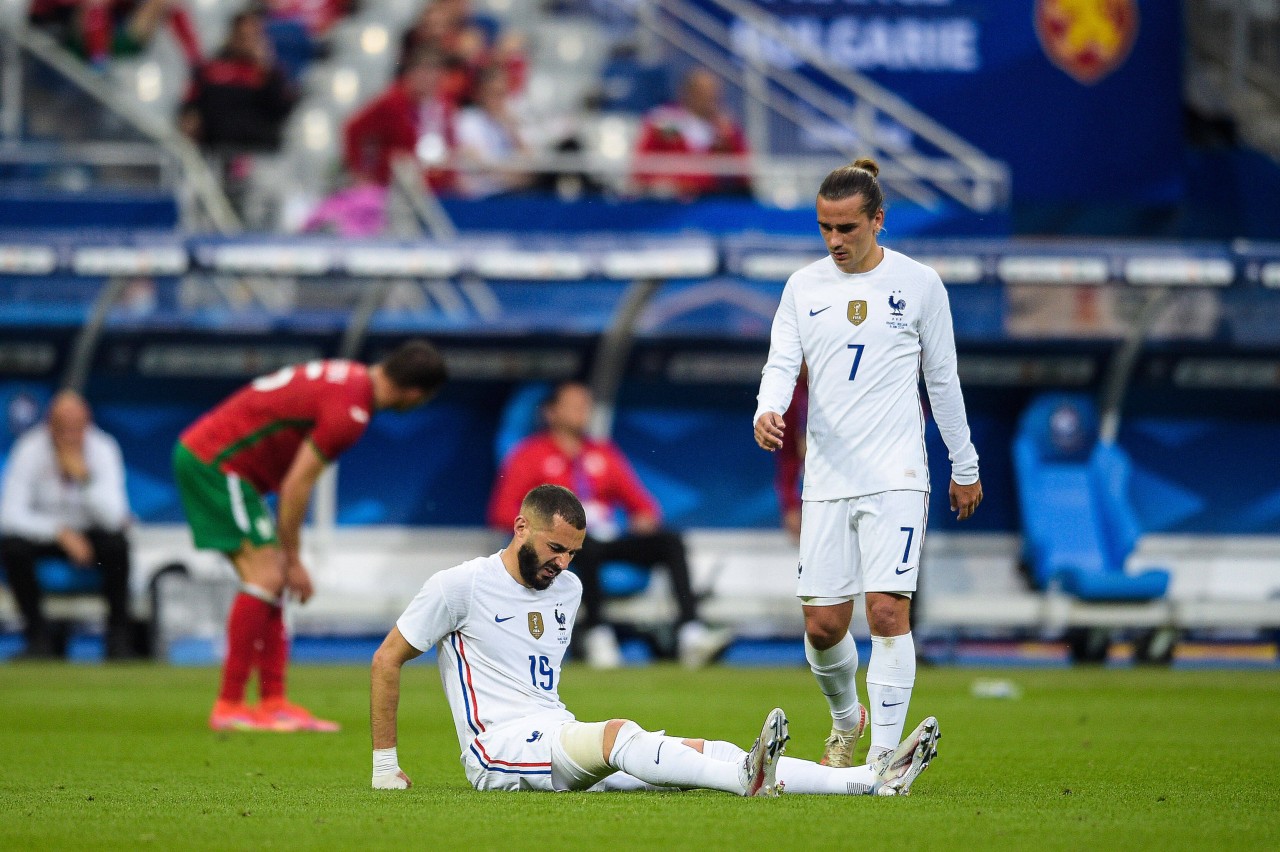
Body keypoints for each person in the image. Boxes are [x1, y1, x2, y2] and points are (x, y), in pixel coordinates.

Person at [370, 484, 939, 796]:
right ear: (521, 528)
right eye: (554, 549)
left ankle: (865, 781)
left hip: (554, 731)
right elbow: (386, 659)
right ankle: (750, 781)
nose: (563, 563)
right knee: (624, 735)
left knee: (704, 752)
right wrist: (385, 765)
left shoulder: (566, 590)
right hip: (497, 751)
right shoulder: (460, 586)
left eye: (572, 552)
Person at [752, 158, 982, 770]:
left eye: (847, 228)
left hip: (897, 472)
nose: (834, 241)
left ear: (878, 221)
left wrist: (965, 464)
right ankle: (845, 718)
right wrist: (768, 409)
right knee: (824, 625)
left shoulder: (920, 285)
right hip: (827, 473)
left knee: (886, 611)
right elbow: (781, 361)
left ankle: (882, 757)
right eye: (825, 227)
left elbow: (943, 380)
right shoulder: (803, 286)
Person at [173, 340, 447, 732]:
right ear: (416, 394)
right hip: (215, 463)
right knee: (267, 576)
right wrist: (295, 558)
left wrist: (287, 556)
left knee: (271, 580)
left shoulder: (351, 377)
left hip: (226, 466)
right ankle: (229, 705)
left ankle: (273, 702)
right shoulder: (350, 413)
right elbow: (296, 486)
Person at [487, 382, 731, 669]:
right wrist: (548, 529)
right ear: (551, 412)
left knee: (669, 542)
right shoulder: (529, 455)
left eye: (586, 405)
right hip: (560, 548)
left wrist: (644, 518)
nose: (582, 411)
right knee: (582, 544)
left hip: (606, 538)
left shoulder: (602, 453)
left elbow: (643, 506)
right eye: (574, 405)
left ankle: (690, 633)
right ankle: (597, 633)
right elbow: (502, 513)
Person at [0, 391, 134, 659]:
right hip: (46, 535)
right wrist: (58, 533)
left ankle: (118, 642)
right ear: (49, 423)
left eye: (77, 427)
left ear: (89, 422)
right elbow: (9, 516)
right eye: (63, 427)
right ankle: (37, 639)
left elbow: (114, 516)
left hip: (92, 536)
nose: (70, 435)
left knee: (117, 546)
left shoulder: (104, 448)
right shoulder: (29, 449)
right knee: (12, 548)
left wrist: (84, 478)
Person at [179, 9, 298, 153]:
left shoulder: (269, 74)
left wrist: (267, 70)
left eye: (253, 37)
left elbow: (281, 112)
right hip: (215, 150)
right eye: (243, 36)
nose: (248, 42)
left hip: (259, 152)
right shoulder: (211, 70)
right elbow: (191, 105)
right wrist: (191, 116)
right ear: (232, 36)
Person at [343, 49, 458, 194]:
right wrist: (360, 171)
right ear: (410, 74)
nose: (428, 80)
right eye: (423, 74)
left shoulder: (444, 104)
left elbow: (449, 142)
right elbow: (353, 129)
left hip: (436, 185)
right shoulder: (392, 102)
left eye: (434, 75)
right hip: (396, 186)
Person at [632, 68, 751, 200]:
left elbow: (744, 173)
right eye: (703, 93)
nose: (709, 99)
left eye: (713, 94)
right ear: (687, 93)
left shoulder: (726, 127)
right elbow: (643, 161)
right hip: (669, 199)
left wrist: (728, 141)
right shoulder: (665, 120)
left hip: (713, 198)